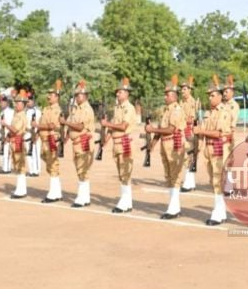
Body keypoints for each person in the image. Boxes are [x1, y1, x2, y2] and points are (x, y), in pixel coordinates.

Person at [145, 76, 187, 219]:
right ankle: (174, 205)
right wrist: (151, 145)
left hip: (174, 145)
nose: (165, 96)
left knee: (175, 175)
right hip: (165, 144)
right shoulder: (166, 110)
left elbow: (170, 129)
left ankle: (173, 209)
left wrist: (152, 131)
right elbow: (160, 129)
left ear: (174, 96)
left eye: (167, 94)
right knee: (168, 176)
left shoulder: (176, 110)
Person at [194, 75, 231, 225]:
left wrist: (200, 131)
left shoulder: (224, 111)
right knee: (213, 181)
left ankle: (217, 212)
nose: (210, 98)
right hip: (208, 149)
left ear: (220, 96)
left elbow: (218, 133)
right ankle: (221, 211)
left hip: (219, 148)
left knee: (218, 181)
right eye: (209, 96)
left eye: (213, 95)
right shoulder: (209, 113)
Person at [102, 78, 137, 213]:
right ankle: (127, 202)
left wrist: (107, 125)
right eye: (117, 92)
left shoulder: (129, 108)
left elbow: (123, 126)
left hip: (124, 142)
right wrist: (106, 138)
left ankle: (124, 201)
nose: (117, 94)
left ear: (127, 93)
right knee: (121, 174)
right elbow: (113, 127)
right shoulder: (117, 108)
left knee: (125, 172)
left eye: (120, 92)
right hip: (117, 143)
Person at [60, 82, 96, 208]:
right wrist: (66, 137)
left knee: (82, 169)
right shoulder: (75, 109)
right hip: (76, 143)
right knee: (81, 170)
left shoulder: (86, 109)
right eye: (76, 95)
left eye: (79, 95)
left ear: (85, 96)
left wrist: (65, 122)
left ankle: (81, 197)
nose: (77, 97)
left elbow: (80, 126)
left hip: (84, 142)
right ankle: (85, 197)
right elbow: (71, 123)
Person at [37, 86, 63, 203]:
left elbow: (52, 126)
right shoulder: (46, 108)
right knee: (49, 165)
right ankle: (57, 191)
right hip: (44, 139)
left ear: (57, 97)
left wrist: (38, 126)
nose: (48, 97)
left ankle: (53, 193)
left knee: (52, 165)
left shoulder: (57, 110)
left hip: (51, 139)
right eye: (48, 94)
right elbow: (42, 122)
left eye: (51, 95)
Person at [4, 94, 28, 198]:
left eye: (18, 103)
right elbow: (12, 130)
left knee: (20, 165)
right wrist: (8, 136)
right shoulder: (16, 115)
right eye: (16, 103)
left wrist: (5, 125)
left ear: (23, 105)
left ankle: (21, 190)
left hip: (18, 141)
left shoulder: (22, 116)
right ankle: (20, 188)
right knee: (17, 165)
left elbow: (15, 129)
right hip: (13, 140)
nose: (16, 105)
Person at [179, 76, 200, 193]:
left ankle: (188, 183)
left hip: (189, 132)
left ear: (189, 90)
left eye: (184, 89)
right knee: (187, 158)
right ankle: (190, 182)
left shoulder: (193, 102)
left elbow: (191, 119)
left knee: (189, 157)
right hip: (183, 132)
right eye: (182, 89)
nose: (182, 91)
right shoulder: (181, 102)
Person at [25, 93, 42, 177]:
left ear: (33, 101)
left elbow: (40, 124)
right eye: (27, 101)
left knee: (35, 153)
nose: (28, 102)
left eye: (30, 100)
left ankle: (36, 171)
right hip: (27, 134)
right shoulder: (26, 111)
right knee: (28, 153)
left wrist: (37, 134)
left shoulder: (37, 111)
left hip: (34, 134)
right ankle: (31, 170)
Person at [0, 95, 14, 174]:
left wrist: (8, 135)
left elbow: (11, 124)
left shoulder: (10, 112)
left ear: (7, 103)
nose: (1, 103)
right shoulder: (1, 113)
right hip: (2, 135)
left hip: (7, 134)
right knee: (2, 152)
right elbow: (0, 125)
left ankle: (7, 168)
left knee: (7, 152)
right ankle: (4, 167)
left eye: (3, 102)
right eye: (0, 102)